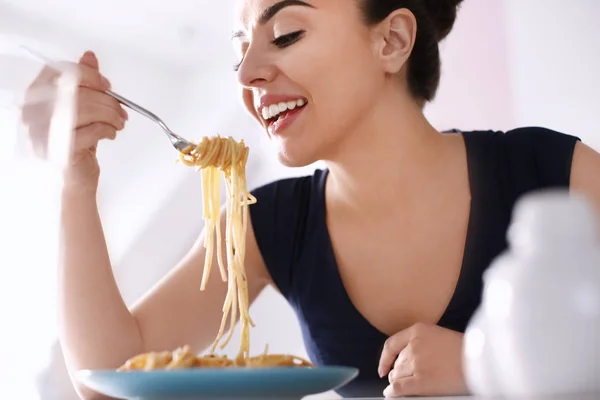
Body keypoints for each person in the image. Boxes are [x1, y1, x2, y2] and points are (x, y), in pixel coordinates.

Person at [22, 0, 600, 398]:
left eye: (286, 34)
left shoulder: (554, 171)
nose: (247, 73)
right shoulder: (266, 223)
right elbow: (110, 380)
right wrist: (75, 178)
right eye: (238, 52)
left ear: (392, 41)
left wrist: (485, 363)